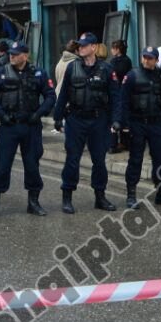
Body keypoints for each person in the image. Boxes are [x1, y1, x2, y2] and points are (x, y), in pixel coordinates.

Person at [0, 40, 55, 217]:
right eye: (11, 54)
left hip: (31, 125)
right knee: (2, 164)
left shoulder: (39, 73)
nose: (12, 57)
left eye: (16, 54)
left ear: (26, 55)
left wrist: (39, 113)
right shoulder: (0, 73)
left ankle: (33, 202)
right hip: (9, 125)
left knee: (32, 164)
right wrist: (0, 114)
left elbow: (50, 95)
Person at [51, 33, 119, 214]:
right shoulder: (72, 67)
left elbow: (115, 97)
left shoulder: (106, 69)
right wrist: (57, 117)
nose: (80, 48)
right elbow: (63, 93)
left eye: (84, 45)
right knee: (72, 159)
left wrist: (116, 120)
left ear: (94, 47)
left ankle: (100, 196)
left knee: (99, 161)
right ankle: (67, 196)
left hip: (99, 120)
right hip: (76, 119)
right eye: (79, 45)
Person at [114, 46, 161, 210]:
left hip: (157, 123)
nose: (146, 60)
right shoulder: (132, 76)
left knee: (160, 160)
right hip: (137, 124)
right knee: (135, 160)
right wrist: (124, 124)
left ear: (156, 60)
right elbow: (123, 101)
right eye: (144, 57)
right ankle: (131, 195)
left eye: (150, 58)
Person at [107, 39, 132, 153]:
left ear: (117, 49)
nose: (111, 50)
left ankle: (123, 142)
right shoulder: (121, 61)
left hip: (121, 92)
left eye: (113, 48)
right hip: (119, 91)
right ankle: (121, 142)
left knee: (122, 117)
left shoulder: (122, 61)